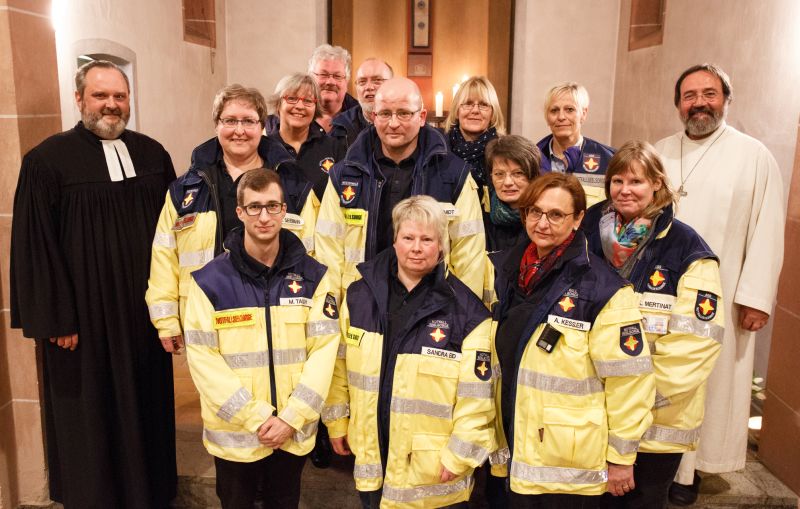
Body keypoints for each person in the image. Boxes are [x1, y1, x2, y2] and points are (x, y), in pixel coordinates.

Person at [9, 60, 177, 508]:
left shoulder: (152, 154)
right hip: (82, 321)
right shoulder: (46, 161)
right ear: (79, 98)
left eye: (119, 96)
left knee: (145, 404)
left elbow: (177, 232)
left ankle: (151, 494)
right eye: (101, 95)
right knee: (89, 411)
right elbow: (34, 245)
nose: (111, 105)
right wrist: (56, 318)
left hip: (142, 315)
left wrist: (173, 306)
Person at [653, 63, 785, 505]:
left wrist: (755, 298)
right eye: (689, 95)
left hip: (722, 297)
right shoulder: (659, 153)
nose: (699, 103)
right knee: (662, 378)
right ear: (677, 104)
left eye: (709, 93)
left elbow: (767, 231)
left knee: (710, 381)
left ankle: (692, 472)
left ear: (726, 99)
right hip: (660, 294)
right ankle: (661, 464)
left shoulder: (754, 156)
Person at [489, 173, 655, 508]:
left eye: (556, 214)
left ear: (579, 218)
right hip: (515, 443)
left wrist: (622, 457)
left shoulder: (604, 289)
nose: (542, 223)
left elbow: (629, 381)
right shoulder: (503, 270)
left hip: (568, 462)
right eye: (534, 212)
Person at [323, 195, 495, 508]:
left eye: (427, 239)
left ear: (442, 245)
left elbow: (478, 398)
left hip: (433, 472)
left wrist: (459, 455)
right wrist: (337, 422)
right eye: (408, 237)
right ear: (395, 240)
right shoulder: (359, 296)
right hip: (373, 455)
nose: (416, 247)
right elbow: (339, 364)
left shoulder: (468, 313)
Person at [182, 168, 340, 508]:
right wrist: (257, 417)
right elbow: (203, 360)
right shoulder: (209, 282)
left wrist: (290, 418)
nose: (264, 216)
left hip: (291, 431)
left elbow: (324, 352)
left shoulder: (315, 278)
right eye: (254, 207)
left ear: (285, 210)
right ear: (239, 213)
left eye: (272, 206)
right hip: (237, 435)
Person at [581, 141, 723, 509]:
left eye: (636, 181)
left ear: (657, 184)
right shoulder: (588, 233)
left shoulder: (686, 249)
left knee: (643, 500)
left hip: (658, 419)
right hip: (596, 411)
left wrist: (637, 400)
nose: (624, 190)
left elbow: (695, 346)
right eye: (617, 181)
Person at [147, 84, 317, 354]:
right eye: (230, 120)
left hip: (278, 313)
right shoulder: (186, 190)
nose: (239, 130)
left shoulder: (293, 185)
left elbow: (314, 255)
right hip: (209, 314)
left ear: (262, 126)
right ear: (216, 125)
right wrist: (166, 321)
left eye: (249, 121)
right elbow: (164, 255)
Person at [314, 77, 486, 299]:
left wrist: (458, 317)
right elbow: (328, 254)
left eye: (404, 113)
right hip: (360, 303)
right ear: (373, 117)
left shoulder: (454, 174)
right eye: (385, 113)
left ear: (422, 117)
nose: (393, 123)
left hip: (431, 307)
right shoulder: (344, 175)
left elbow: (469, 257)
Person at [268, 72, 345, 204]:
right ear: (278, 105)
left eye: (308, 101)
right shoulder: (265, 148)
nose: (299, 106)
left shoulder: (334, 148)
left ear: (316, 109)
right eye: (291, 98)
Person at [536, 82, 615, 208]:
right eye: (554, 110)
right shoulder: (531, 159)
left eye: (569, 109)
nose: (561, 117)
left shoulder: (610, 159)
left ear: (583, 114)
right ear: (547, 117)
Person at [445, 76, 506, 203]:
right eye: (468, 104)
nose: (475, 110)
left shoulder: (505, 151)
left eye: (483, 105)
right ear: (457, 110)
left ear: (493, 113)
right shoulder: (440, 149)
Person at [484, 134, 541, 252]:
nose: (508, 182)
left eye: (518, 173)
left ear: (533, 175)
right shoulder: (481, 215)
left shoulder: (544, 220)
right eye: (499, 174)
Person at [331, 58, 394, 148]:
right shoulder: (341, 127)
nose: (368, 87)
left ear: (392, 84)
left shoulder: (409, 122)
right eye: (362, 82)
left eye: (377, 80)